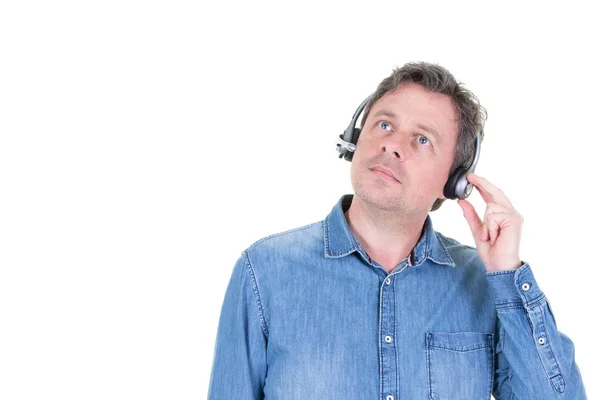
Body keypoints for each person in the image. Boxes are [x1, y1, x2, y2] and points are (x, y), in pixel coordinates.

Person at [207, 62, 587, 399]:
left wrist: (508, 276)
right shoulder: (264, 272)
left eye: (422, 139)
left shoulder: (482, 283)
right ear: (355, 139)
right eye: (385, 124)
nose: (392, 144)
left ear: (453, 181)